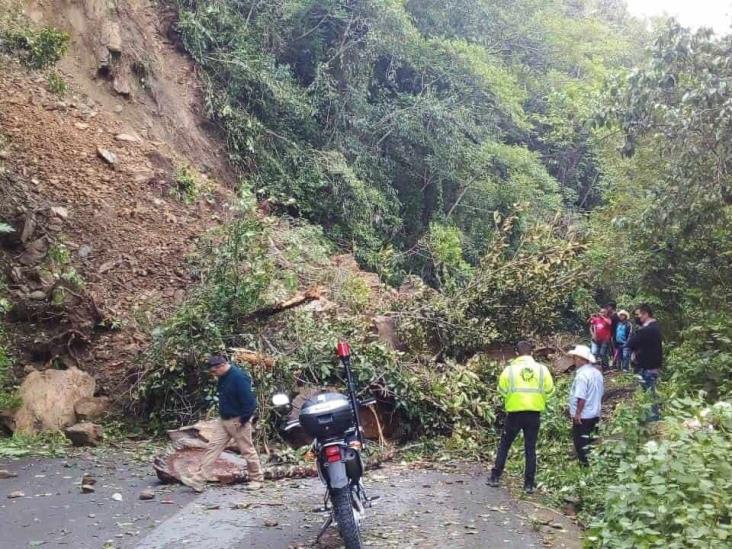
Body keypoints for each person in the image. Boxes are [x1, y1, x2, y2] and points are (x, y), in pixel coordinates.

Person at [182, 355, 264, 492]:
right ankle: (199, 479)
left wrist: (243, 420)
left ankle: (257, 479)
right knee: (212, 447)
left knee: (247, 450)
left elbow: (250, 402)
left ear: (222, 366)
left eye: (214, 371)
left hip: (238, 420)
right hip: (224, 420)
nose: (213, 374)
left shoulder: (239, 378)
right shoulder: (222, 377)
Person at [487, 341, 554, 494]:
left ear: (516, 353)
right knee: (530, 448)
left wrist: (512, 398)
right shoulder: (542, 370)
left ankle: (495, 477)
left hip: (515, 413)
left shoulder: (509, 370)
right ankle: (529, 485)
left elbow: (501, 389)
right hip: (534, 413)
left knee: (505, 444)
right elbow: (550, 390)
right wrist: (540, 400)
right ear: (532, 352)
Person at [567, 345, 604, 466]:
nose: (574, 360)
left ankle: (585, 468)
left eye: (575, 358)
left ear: (581, 359)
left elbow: (581, 398)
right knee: (592, 441)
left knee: (581, 444)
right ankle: (593, 466)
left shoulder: (582, 376)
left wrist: (578, 414)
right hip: (595, 413)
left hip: (583, 416)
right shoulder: (597, 373)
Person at [627, 304, 663, 421]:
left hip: (648, 368)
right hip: (651, 367)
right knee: (650, 394)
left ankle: (653, 421)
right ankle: (652, 418)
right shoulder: (654, 327)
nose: (638, 318)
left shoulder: (648, 329)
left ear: (646, 314)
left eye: (639, 315)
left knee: (649, 396)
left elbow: (631, 343)